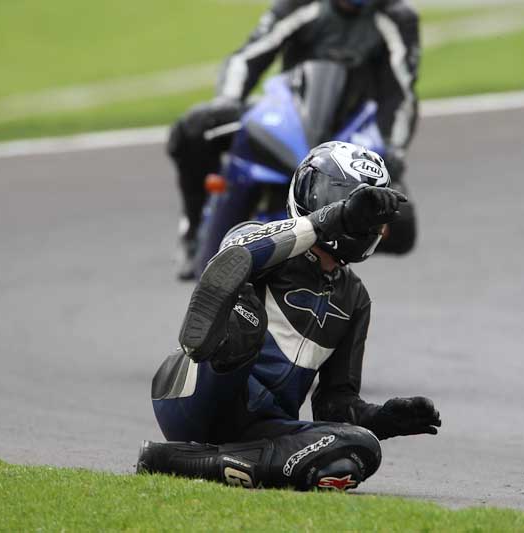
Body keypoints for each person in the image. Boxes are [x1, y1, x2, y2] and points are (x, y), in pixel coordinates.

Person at [138, 142, 440, 490]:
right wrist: (335, 217)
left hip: (260, 427)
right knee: (246, 316)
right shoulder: (259, 237)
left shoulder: (355, 299)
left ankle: (191, 463)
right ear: (309, 194)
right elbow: (233, 257)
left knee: (359, 451)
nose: (359, 216)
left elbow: (333, 405)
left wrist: (383, 419)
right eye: (344, 199)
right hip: (192, 392)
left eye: (367, 208)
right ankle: (234, 459)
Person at [168, 0, 421, 279]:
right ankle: (193, 231)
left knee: (402, 224)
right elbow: (250, 54)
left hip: (352, 131)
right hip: (287, 113)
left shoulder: (398, 18)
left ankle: (339, 251)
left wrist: (392, 148)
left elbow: (401, 93)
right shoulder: (299, 5)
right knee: (194, 130)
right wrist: (228, 99)